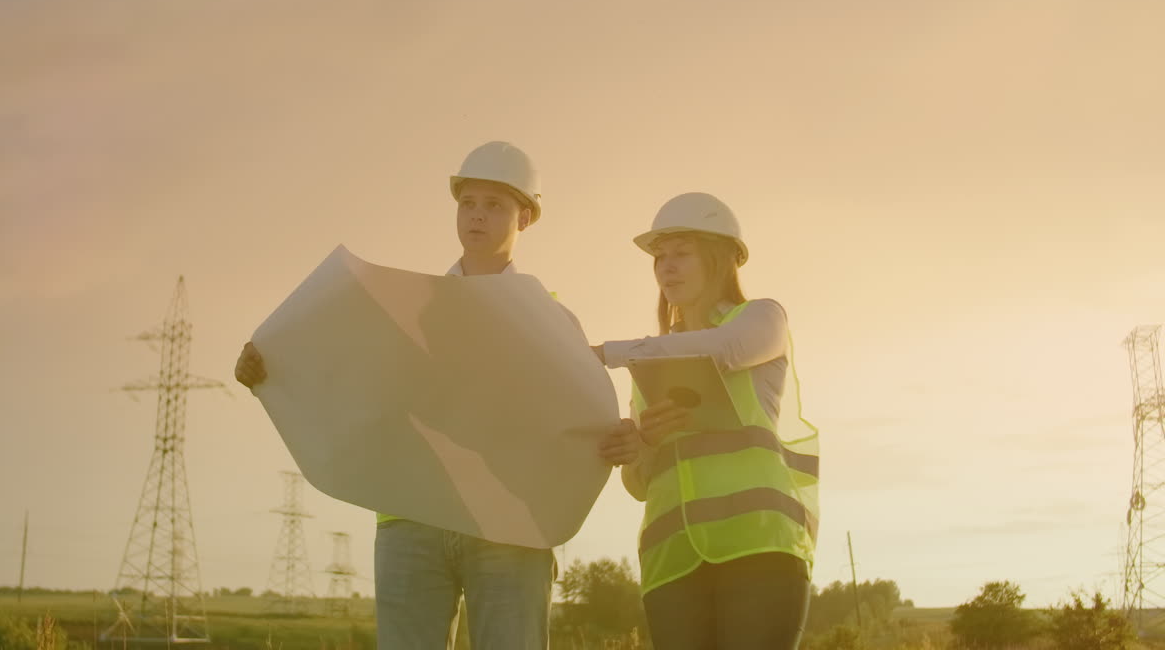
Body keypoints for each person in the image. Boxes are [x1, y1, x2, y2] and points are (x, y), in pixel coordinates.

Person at [234, 141, 567, 650]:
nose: (476, 216)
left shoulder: (550, 315)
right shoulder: (409, 306)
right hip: (413, 516)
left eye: (494, 205)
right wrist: (272, 366)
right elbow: (346, 374)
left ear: (526, 215)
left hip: (508, 525)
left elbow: (570, 418)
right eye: (468, 203)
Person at [594, 192, 820, 650]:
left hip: (757, 548)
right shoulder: (650, 364)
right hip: (671, 562)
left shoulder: (760, 319)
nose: (666, 267)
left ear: (720, 259)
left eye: (681, 253)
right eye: (659, 257)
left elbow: (722, 351)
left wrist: (605, 353)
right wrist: (644, 444)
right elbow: (640, 484)